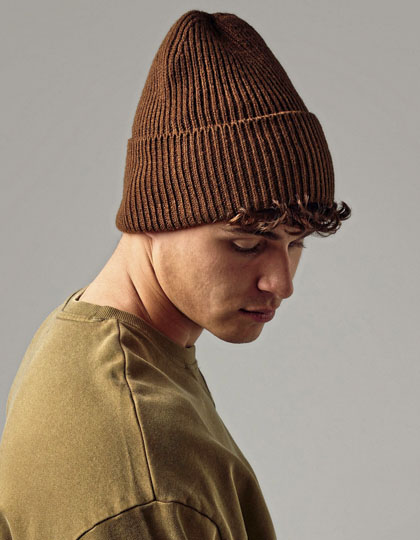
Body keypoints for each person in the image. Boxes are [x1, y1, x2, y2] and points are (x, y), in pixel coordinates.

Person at [0, 9, 351, 539]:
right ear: (157, 216)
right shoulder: (146, 479)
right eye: (246, 244)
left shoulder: (90, 335)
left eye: (296, 242)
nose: (282, 283)